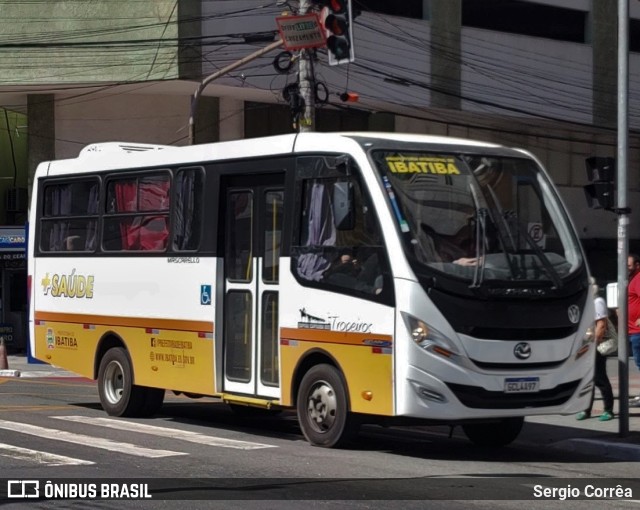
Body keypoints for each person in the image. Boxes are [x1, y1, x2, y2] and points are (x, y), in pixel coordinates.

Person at [576, 280, 615, 421]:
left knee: (600, 378)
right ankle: (586, 410)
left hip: (596, 346)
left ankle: (608, 410)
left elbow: (601, 325)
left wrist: (593, 345)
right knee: (587, 380)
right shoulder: (586, 303)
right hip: (586, 345)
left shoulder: (597, 302)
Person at [628, 253, 640, 407]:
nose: (626, 268)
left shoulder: (638, 278)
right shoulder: (632, 279)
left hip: (637, 332)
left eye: (629, 265)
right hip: (632, 331)